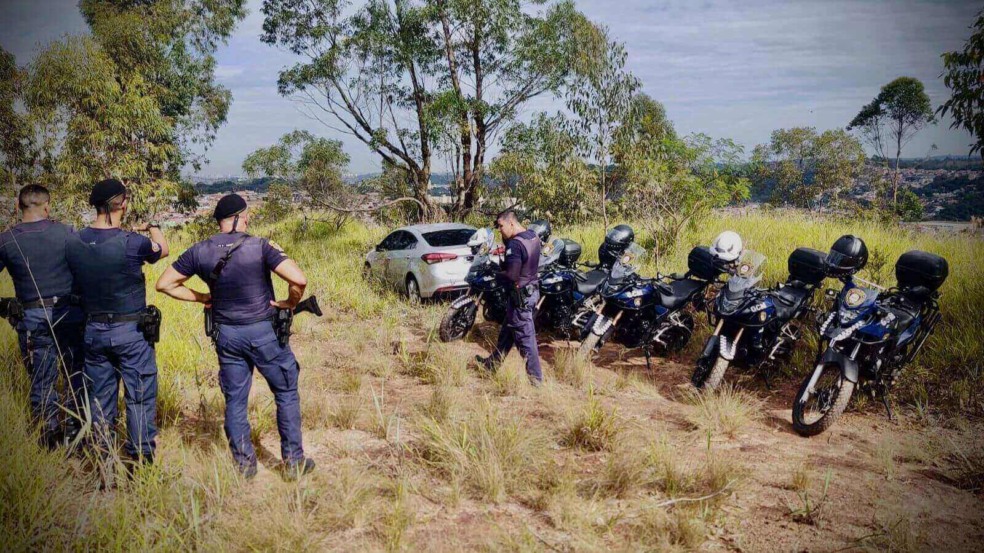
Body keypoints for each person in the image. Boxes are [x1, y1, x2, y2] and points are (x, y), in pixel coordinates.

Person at [155, 193, 313, 480]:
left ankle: (244, 467)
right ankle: (293, 462)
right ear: (239, 217)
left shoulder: (198, 251)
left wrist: (203, 296)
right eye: (247, 215)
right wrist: (290, 302)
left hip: (226, 336)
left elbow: (164, 284)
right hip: (264, 332)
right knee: (286, 392)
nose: (249, 219)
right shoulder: (260, 246)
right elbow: (298, 279)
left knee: (235, 402)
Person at [66, 178, 168, 466]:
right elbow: (163, 249)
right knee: (139, 395)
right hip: (131, 332)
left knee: (99, 399)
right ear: (123, 204)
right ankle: (139, 461)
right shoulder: (132, 242)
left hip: (92, 331)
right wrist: (152, 227)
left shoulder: (73, 242)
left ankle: (103, 460)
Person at [0, 184, 85, 448]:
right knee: (76, 374)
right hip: (69, 314)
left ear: (18, 207)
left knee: (41, 380)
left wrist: (5, 305)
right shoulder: (68, 233)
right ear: (47, 206)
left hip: (32, 317)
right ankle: (75, 432)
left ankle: (48, 438)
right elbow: (85, 270)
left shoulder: (6, 240)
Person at [476, 210, 543, 385]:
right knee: (507, 333)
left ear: (511, 223)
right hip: (531, 290)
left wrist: (496, 274)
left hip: (520, 294)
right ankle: (491, 365)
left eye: (501, 226)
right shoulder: (532, 236)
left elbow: (512, 275)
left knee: (526, 338)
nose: (499, 230)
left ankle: (536, 380)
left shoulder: (515, 245)